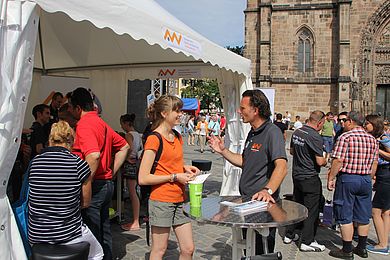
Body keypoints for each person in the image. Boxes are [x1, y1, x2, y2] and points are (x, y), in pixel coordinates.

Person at [208, 89, 287, 255]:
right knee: (248, 250)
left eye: (243, 108)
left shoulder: (272, 132)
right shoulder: (252, 132)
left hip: (262, 207)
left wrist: (267, 190)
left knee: (261, 252)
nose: (239, 111)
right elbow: (245, 161)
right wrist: (223, 151)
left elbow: (282, 166)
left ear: (255, 110)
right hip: (247, 203)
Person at [68, 87, 130, 260]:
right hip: (105, 184)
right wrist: (111, 172)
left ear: (78, 108)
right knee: (104, 229)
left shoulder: (85, 124)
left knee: (92, 232)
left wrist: (85, 182)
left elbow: (93, 155)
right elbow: (124, 146)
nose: (70, 111)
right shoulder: (101, 123)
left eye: (71, 107)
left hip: (95, 186)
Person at [28, 121, 103, 260]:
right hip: (68, 234)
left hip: (36, 235)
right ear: (72, 141)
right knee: (98, 254)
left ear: (50, 140)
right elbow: (86, 203)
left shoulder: (35, 162)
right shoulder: (78, 164)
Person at [138, 95, 200, 260]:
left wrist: (185, 168)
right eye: (177, 111)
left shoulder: (177, 136)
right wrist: (174, 176)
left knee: (188, 249)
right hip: (161, 200)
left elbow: (168, 163)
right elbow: (143, 178)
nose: (181, 114)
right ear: (164, 113)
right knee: (159, 250)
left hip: (180, 199)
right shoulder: (154, 139)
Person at [327, 111, 379, 259]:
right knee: (363, 215)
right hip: (365, 179)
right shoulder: (372, 139)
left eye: (345, 121)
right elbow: (374, 162)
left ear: (350, 121)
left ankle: (347, 249)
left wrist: (331, 178)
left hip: (348, 178)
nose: (343, 124)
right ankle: (362, 248)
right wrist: (369, 177)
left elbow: (338, 161)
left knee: (345, 214)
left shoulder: (346, 137)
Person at [284, 111, 327, 252]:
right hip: (310, 176)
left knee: (297, 204)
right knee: (311, 210)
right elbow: (320, 161)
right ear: (319, 122)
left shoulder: (297, 132)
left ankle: (290, 233)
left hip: (297, 175)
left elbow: (291, 151)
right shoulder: (315, 136)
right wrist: (327, 158)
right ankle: (307, 241)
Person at [364, 114, 390, 256]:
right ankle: (384, 242)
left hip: (385, 175)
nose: (365, 126)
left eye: (367, 123)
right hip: (384, 175)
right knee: (386, 212)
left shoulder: (383, 138)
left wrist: (376, 149)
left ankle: (382, 245)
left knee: (376, 211)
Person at [119, 114, 142, 232]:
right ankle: (136, 219)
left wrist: (127, 158)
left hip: (130, 164)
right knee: (134, 192)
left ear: (126, 123)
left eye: (122, 123)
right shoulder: (137, 134)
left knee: (132, 192)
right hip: (136, 163)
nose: (121, 126)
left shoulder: (128, 135)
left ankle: (135, 221)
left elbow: (129, 148)